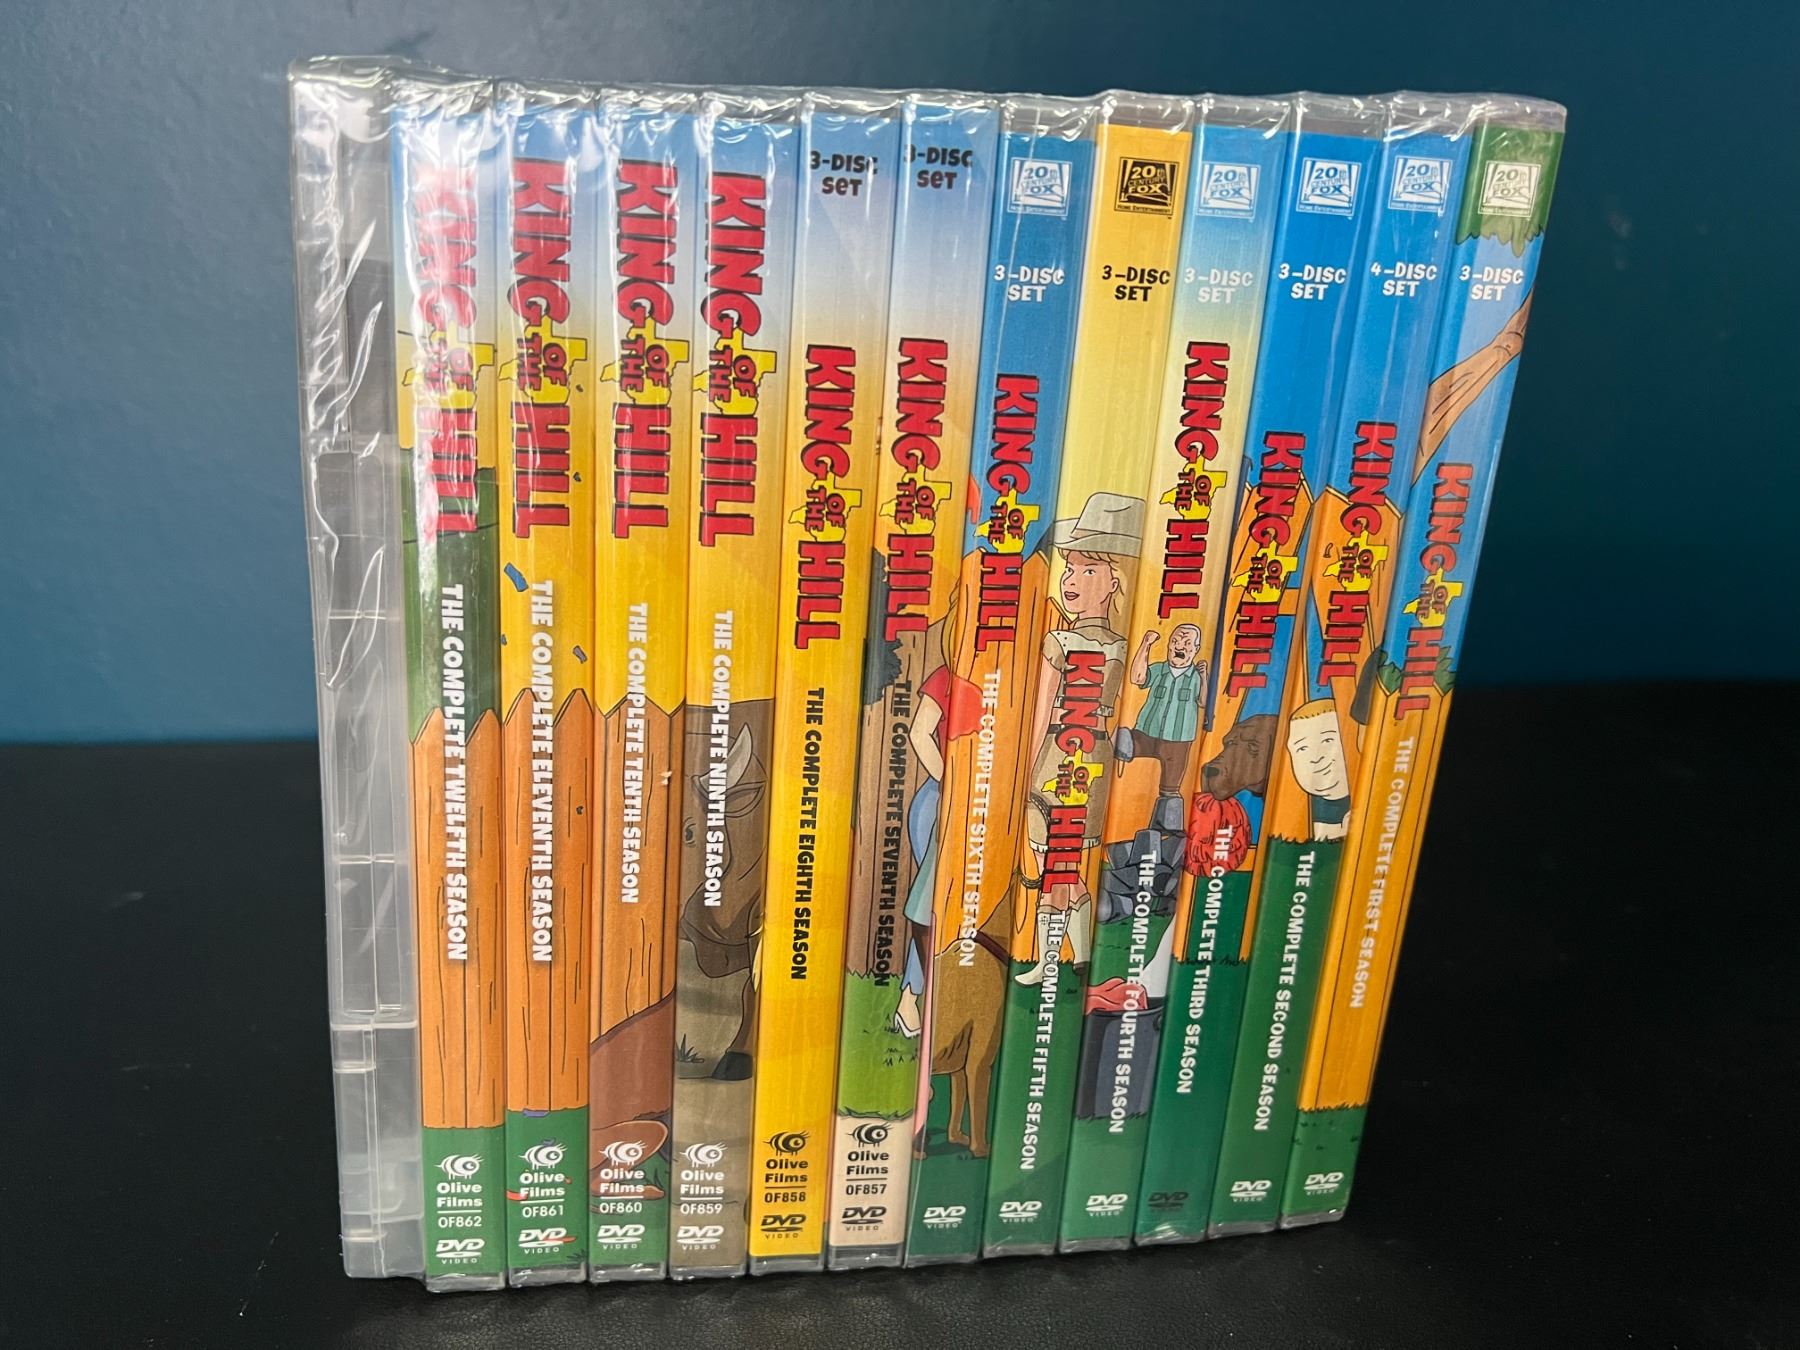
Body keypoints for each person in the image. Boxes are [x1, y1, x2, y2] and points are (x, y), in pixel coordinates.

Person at [1015, 492, 1141, 986]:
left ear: (1115, 580)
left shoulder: (1069, 642)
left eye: (1088, 569)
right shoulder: (1111, 645)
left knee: (1057, 866)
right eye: (1069, 568)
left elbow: (1044, 711)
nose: (1071, 580)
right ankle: (1080, 956)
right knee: (1065, 865)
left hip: (1061, 762)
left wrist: (1025, 774)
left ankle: (1051, 964)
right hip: (1087, 760)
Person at [1116, 622, 1206, 801]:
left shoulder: (1196, 677)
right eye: (1175, 641)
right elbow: (1137, 678)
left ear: (1196, 649)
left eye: (1187, 643)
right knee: (1122, 742)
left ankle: (1167, 816)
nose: (1179, 646)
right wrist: (1146, 645)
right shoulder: (1159, 670)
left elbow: (1203, 701)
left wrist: (1204, 677)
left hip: (1178, 740)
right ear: (1169, 645)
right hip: (1146, 733)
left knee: (1170, 790)